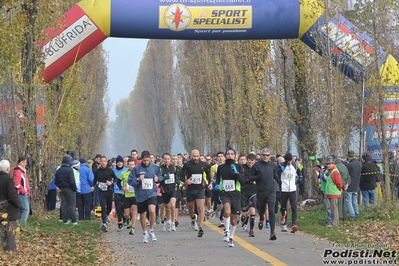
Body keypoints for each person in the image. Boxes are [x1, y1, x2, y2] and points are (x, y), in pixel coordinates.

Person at [129, 150, 164, 243]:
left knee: (152, 210)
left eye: (148, 160)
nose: (146, 162)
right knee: (143, 214)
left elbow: (161, 176)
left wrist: (158, 179)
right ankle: (145, 233)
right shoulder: (136, 168)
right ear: (141, 160)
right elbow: (130, 181)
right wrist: (138, 179)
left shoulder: (155, 167)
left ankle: (151, 230)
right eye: (144, 161)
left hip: (151, 193)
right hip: (140, 195)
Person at [215, 148, 246, 247]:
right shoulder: (221, 167)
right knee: (226, 210)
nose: (230, 155)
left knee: (234, 218)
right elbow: (218, 179)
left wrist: (236, 173)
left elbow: (243, 181)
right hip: (225, 193)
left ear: (235, 156)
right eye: (228, 154)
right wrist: (216, 185)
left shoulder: (239, 166)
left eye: (232, 154)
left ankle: (231, 238)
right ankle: (227, 231)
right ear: (225, 156)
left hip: (236, 194)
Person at [181, 149, 212, 237]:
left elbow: (208, 175)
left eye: (197, 156)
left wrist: (209, 183)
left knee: (200, 208)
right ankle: (193, 219)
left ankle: (200, 227)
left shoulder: (203, 165)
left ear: (199, 156)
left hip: (200, 189)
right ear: (191, 156)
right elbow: (181, 176)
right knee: (191, 209)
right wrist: (186, 181)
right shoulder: (187, 165)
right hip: (190, 189)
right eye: (193, 156)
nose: (195, 158)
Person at [250, 148, 278, 240]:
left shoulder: (273, 165)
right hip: (261, 191)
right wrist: (257, 177)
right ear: (261, 156)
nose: (265, 157)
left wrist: (280, 183)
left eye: (267, 155)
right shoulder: (256, 165)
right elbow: (250, 177)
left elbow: (275, 176)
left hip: (271, 190)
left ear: (270, 156)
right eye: (264, 155)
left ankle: (272, 232)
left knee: (271, 210)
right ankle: (261, 217)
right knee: (261, 210)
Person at [275, 153, 300, 233]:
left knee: (294, 207)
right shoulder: (281, 166)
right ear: (285, 160)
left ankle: (294, 224)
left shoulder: (294, 165)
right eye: (288, 161)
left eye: (290, 160)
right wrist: (279, 181)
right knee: (284, 207)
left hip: (292, 189)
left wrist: (300, 178)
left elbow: (299, 172)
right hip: (284, 189)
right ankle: (284, 225)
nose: (289, 162)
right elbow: (276, 173)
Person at [93, 156, 117, 232]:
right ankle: (104, 224)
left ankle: (106, 215)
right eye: (102, 161)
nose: (103, 163)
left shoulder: (110, 171)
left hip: (109, 191)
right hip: (101, 191)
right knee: (103, 207)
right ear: (99, 162)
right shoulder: (97, 171)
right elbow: (95, 179)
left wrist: (111, 182)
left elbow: (116, 179)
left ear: (106, 162)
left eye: (104, 161)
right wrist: (93, 186)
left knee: (109, 207)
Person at [0, 160, 20, 251]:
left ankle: (2, 247)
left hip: (1, 207)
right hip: (9, 208)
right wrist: (18, 204)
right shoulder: (8, 179)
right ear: (8, 168)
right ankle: (10, 249)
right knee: (10, 230)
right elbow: (12, 195)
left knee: (1, 229)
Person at [159, 153, 179, 232]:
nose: (166, 160)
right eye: (165, 159)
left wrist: (177, 180)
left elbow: (176, 176)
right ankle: (168, 221)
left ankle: (173, 223)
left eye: (168, 159)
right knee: (167, 207)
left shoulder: (173, 168)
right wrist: (163, 178)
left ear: (170, 159)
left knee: (173, 204)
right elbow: (159, 178)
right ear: (163, 159)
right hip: (165, 190)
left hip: (173, 189)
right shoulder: (160, 169)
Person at [55, 156, 77, 225]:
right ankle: (74, 221)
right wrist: (74, 189)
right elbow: (72, 181)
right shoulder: (70, 170)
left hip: (62, 189)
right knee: (71, 205)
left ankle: (65, 220)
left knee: (64, 204)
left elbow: (56, 181)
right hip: (70, 189)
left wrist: (60, 186)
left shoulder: (58, 170)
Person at [240, 153, 257, 237]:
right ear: (246, 160)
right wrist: (250, 180)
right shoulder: (242, 168)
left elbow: (259, 176)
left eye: (252, 163)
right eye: (249, 163)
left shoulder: (256, 168)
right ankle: (244, 217)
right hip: (243, 191)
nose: (250, 165)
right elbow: (241, 178)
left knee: (252, 211)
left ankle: (251, 230)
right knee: (245, 212)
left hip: (253, 191)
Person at [119, 158, 137, 235]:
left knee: (134, 211)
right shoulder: (124, 173)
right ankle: (128, 220)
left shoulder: (138, 173)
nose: (131, 166)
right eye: (130, 164)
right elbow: (117, 182)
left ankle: (133, 228)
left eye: (133, 164)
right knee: (126, 214)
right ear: (127, 165)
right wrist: (122, 188)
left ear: (135, 165)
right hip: (126, 195)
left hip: (135, 195)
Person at [324, 156, 343, 227]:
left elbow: (339, 183)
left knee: (334, 209)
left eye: (329, 164)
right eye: (327, 164)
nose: (327, 165)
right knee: (333, 208)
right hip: (331, 193)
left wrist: (340, 189)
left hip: (334, 193)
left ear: (332, 163)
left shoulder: (334, 172)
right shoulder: (331, 171)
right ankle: (335, 222)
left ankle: (335, 223)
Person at [13, 155, 30, 225]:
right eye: (23, 162)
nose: (24, 164)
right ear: (19, 162)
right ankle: (22, 225)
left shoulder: (23, 171)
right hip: (21, 193)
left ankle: (18, 225)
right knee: (26, 210)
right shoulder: (18, 171)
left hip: (24, 193)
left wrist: (28, 191)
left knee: (21, 210)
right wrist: (24, 192)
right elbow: (17, 184)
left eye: (25, 162)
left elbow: (25, 183)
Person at [345, 150, 362, 219]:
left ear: (348, 157)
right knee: (354, 200)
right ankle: (357, 213)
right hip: (356, 184)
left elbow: (346, 172)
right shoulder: (359, 164)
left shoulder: (349, 165)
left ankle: (352, 215)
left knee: (348, 200)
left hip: (350, 185)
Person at [113, 155, 127, 230]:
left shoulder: (126, 170)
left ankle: (125, 218)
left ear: (123, 163)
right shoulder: (113, 171)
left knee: (124, 207)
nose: (119, 163)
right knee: (118, 207)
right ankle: (120, 221)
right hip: (116, 191)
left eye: (121, 162)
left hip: (125, 191)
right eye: (118, 162)